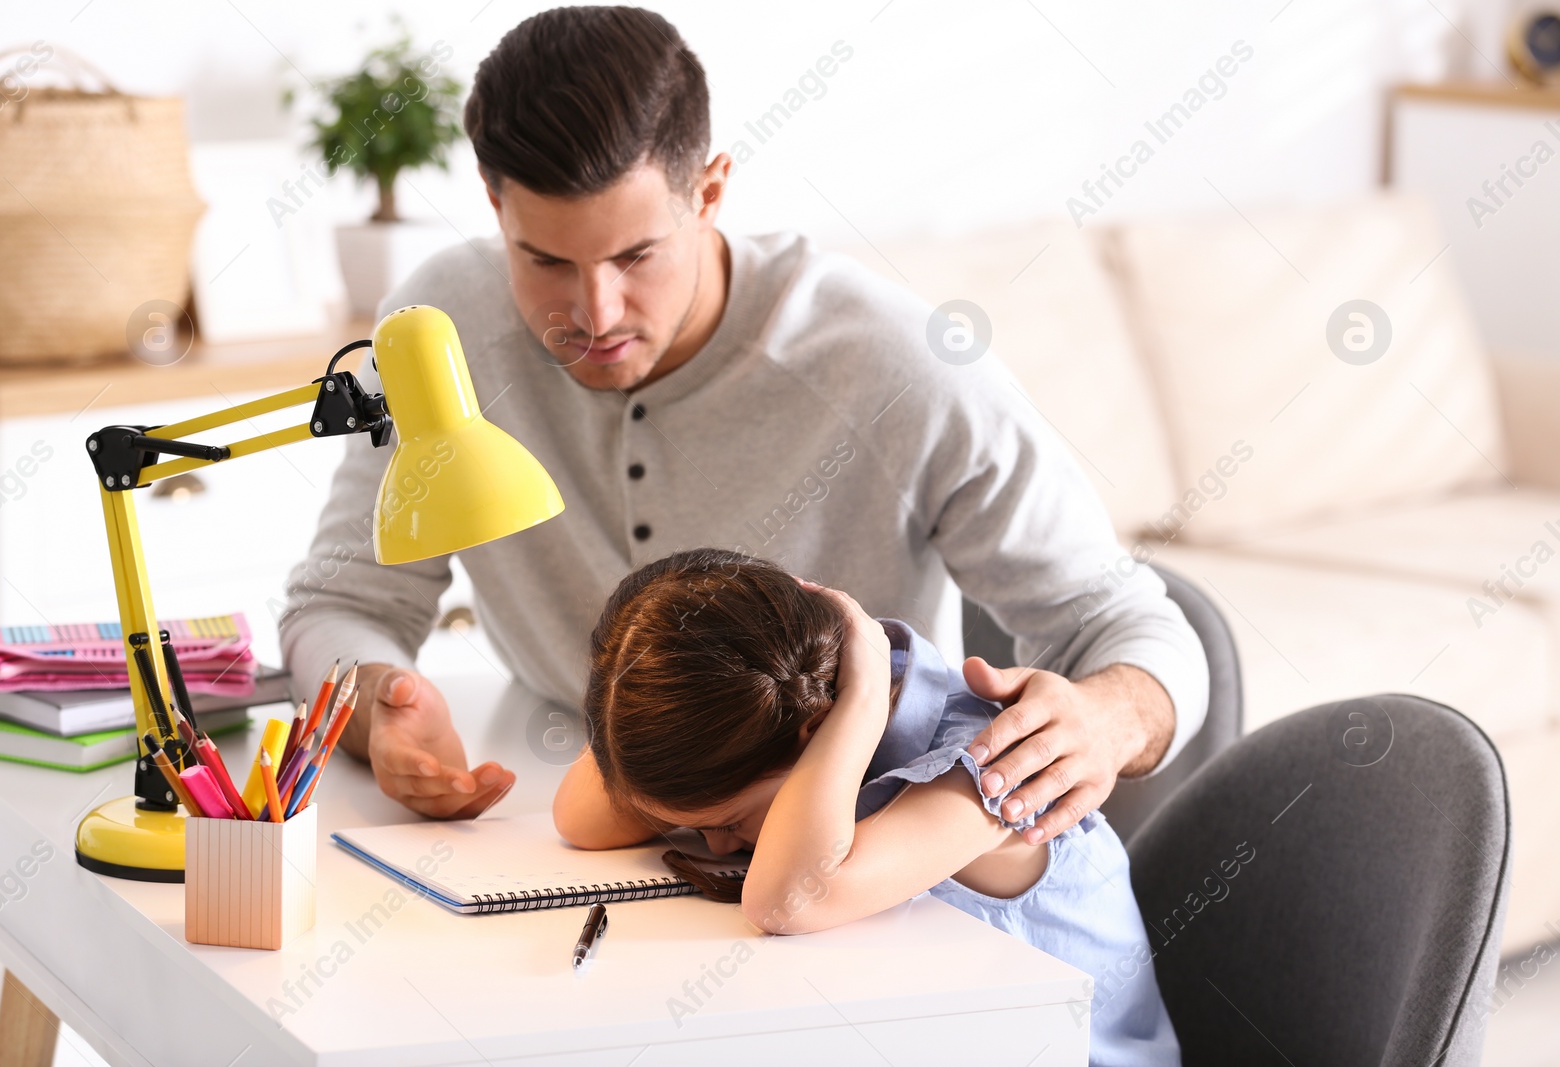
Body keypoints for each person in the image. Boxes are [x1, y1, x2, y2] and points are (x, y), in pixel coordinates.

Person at [280, 6, 1207, 838]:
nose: (594, 312)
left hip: (848, 858)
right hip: (579, 828)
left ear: (710, 191)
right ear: (494, 205)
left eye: (637, 254)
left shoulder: (892, 365)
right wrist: (376, 704)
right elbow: (342, 601)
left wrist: (1110, 716)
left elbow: (1127, 627)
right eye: (546, 260)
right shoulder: (441, 333)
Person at [554, 548, 1180, 1066]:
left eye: (729, 822)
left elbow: (787, 899)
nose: (717, 846)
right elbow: (578, 818)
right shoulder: (783, 720)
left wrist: (858, 700)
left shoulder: (993, 766)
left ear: (816, 730)